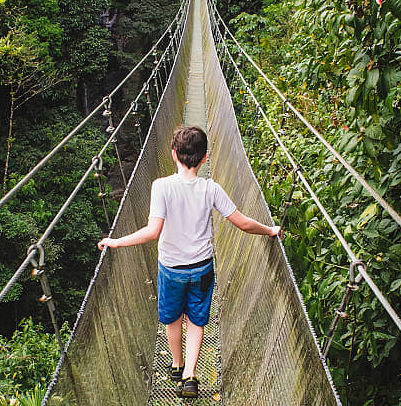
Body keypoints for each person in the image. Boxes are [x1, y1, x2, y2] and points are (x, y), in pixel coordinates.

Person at [97, 125, 281, 399]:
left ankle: (176, 363)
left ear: (173, 154)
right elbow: (242, 222)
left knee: (172, 319)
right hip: (203, 268)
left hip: (171, 269)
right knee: (196, 321)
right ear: (205, 157)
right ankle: (190, 376)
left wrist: (115, 241)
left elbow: (152, 231)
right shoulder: (211, 188)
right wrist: (269, 230)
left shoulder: (161, 187)